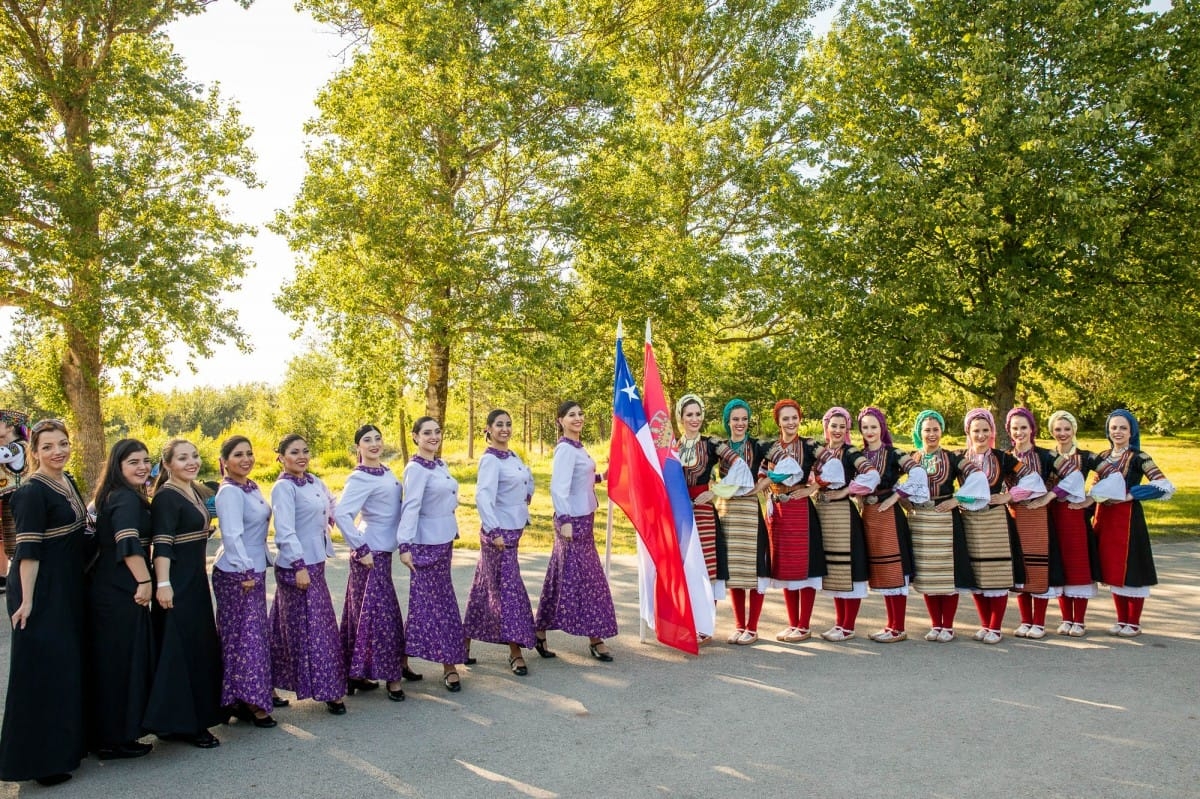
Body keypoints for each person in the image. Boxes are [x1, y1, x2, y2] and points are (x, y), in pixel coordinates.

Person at [0, 420, 87, 785]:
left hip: (65, 589)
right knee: (41, 675)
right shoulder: (31, 493)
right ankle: (38, 764)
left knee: (65, 671)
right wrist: (29, 602)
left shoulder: (67, 481)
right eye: (48, 446)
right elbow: (29, 551)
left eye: (63, 443)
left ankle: (65, 749)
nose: (58, 451)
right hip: (39, 592)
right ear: (33, 452)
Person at [143, 438, 224, 749]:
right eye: (182, 458)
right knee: (181, 650)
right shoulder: (165, 497)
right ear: (167, 465)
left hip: (194, 579)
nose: (191, 462)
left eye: (194, 456)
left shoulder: (191, 490)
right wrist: (162, 584)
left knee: (197, 646)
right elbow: (162, 544)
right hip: (176, 583)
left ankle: (191, 716)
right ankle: (187, 724)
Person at [334, 424, 416, 701]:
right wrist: (360, 547)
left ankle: (356, 673)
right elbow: (342, 514)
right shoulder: (359, 478)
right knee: (382, 615)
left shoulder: (385, 470)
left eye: (378, 438)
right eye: (367, 440)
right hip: (370, 555)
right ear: (357, 446)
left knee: (365, 615)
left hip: (384, 551)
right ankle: (392, 677)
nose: (374, 443)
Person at [86, 439, 156, 759]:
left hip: (108, 588)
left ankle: (111, 736)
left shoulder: (115, 495)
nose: (142, 467)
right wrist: (144, 580)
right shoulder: (126, 499)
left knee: (114, 663)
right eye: (133, 462)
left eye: (145, 460)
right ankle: (114, 739)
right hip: (120, 589)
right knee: (120, 665)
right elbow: (127, 542)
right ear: (118, 466)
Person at [269, 434, 347, 714]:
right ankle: (328, 690)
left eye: (305, 450)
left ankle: (270, 682)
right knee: (313, 629)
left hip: (317, 561)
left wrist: (351, 527)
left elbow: (333, 504)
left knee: (287, 627)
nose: (302, 456)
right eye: (294, 452)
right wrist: (299, 565)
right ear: (281, 457)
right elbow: (285, 530)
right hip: (296, 567)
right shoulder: (283, 488)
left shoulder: (315, 481)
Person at [534, 401, 618, 660]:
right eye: (572, 415)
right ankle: (596, 638)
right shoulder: (565, 450)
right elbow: (558, 488)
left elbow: (579, 479)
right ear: (560, 420)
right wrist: (566, 519)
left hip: (585, 520)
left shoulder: (577, 448)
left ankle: (539, 631)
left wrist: (603, 476)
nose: (578, 418)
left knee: (560, 576)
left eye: (580, 414)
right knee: (590, 580)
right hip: (572, 523)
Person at [958, 408, 1046, 644]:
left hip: (995, 520)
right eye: (976, 431)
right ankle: (984, 624)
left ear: (992, 432)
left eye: (985, 430)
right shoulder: (959, 457)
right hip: (968, 519)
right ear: (968, 431)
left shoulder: (1003, 457)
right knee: (977, 574)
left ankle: (995, 627)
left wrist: (1009, 496)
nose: (981, 435)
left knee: (996, 573)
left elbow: (1032, 477)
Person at [462, 409, 537, 675]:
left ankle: (464, 643)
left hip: (514, 529)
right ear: (488, 429)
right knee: (508, 591)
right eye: (499, 425)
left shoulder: (512, 455)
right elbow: (483, 496)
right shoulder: (491, 460)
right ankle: (515, 651)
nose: (504, 429)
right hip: (499, 535)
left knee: (484, 587)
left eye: (508, 424)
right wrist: (494, 531)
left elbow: (527, 481)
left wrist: (526, 495)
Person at [398, 417, 469, 691]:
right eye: (426, 433)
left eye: (437, 431)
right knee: (435, 605)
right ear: (415, 437)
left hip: (445, 539)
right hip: (424, 544)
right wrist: (404, 545)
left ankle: (402, 660)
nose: (433, 436)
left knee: (426, 606)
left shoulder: (440, 464)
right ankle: (449, 665)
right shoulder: (415, 468)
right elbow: (411, 506)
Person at [1090, 409, 1174, 637]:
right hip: (1106, 516)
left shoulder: (1139, 457)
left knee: (1132, 568)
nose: (1117, 432)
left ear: (1131, 431)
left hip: (1128, 519)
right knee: (1113, 568)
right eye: (1114, 427)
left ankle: (1133, 622)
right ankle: (1121, 620)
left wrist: (1132, 494)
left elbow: (1163, 484)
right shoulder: (1103, 456)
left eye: (1123, 428)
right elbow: (1096, 486)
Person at [211, 435, 277, 728]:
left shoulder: (250, 487)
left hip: (254, 568)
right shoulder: (229, 493)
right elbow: (231, 535)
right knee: (243, 638)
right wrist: (245, 570)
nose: (246, 459)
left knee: (252, 636)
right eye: (238, 455)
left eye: (249, 453)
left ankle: (249, 694)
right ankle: (249, 701)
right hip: (238, 572)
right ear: (224, 462)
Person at [906, 410, 988, 643]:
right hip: (922, 521)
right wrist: (906, 503)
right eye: (927, 430)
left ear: (941, 431)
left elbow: (977, 477)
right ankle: (935, 624)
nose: (931, 434)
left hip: (945, 519)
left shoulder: (952, 458)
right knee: (929, 574)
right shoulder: (913, 458)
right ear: (919, 433)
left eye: (935, 429)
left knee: (946, 575)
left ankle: (948, 626)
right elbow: (898, 484)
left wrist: (958, 499)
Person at [1005, 408, 1082, 639]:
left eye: (1024, 427)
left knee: (1038, 567)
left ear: (1032, 429)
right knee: (1021, 568)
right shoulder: (1005, 456)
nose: (1019, 432)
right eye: (1015, 428)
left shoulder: (1046, 455)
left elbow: (1074, 474)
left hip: (1038, 517)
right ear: (1009, 430)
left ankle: (1038, 623)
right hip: (1014, 515)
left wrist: (1050, 496)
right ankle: (1024, 621)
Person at [856, 407, 928, 643]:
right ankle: (891, 625)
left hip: (888, 514)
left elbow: (917, 472)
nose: (869, 431)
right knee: (882, 571)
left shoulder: (895, 452)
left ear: (882, 428)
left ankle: (898, 627)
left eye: (874, 427)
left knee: (895, 570)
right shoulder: (859, 455)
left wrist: (897, 496)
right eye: (865, 427)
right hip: (869, 514)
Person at [811, 406, 880, 641]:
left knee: (848, 569)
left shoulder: (850, 452)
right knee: (834, 571)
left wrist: (845, 492)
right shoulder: (820, 451)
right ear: (826, 427)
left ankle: (848, 626)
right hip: (824, 513)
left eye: (843, 426)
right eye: (834, 426)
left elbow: (871, 474)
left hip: (842, 515)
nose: (838, 430)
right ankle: (839, 623)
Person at [757, 400, 823, 643]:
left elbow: (834, 468)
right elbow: (762, 472)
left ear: (800, 418)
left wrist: (812, 489)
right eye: (785, 418)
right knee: (785, 567)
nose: (791, 422)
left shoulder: (810, 445)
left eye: (794, 417)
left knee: (804, 568)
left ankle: (804, 624)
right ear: (778, 421)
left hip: (800, 511)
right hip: (779, 512)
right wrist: (764, 488)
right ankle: (792, 623)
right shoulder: (770, 447)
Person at [710, 399, 774, 645]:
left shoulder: (758, 445)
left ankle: (753, 627)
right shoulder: (721, 446)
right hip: (727, 509)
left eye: (744, 419)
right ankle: (739, 625)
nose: (740, 423)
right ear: (728, 421)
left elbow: (786, 465)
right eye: (735, 419)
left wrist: (760, 486)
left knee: (754, 567)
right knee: (734, 569)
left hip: (748, 510)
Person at [675, 394, 726, 641]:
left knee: (707, 566)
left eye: (698, 414)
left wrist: (715, 490)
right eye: (689, 415)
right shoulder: (672, 446)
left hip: (704, 512)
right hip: (680, 512)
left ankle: (705, 625)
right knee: (685, 564)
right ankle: (688, 619)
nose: (694, 419)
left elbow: (741, 466)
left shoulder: (712, 443)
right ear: (681, 418)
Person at [1046, 410, 1101, 635]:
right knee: (1060, 563)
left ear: (1074, 430)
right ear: (1051, 432)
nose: (1062, 433)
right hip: (1053, 514)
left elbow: (1113, 475)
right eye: (1057, 430)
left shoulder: (1087, 456)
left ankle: (1078, 620)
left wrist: (1090, 498)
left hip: (1075, 515)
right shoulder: (1047, 456)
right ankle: (1066, 618)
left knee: (1077, 563)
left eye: (1066, 429)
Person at [0, 408, 30, 595]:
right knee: (12, 545)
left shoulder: (18, 446)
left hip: (19, 501)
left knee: (20, 545)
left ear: (10, 426)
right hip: (8, 501)